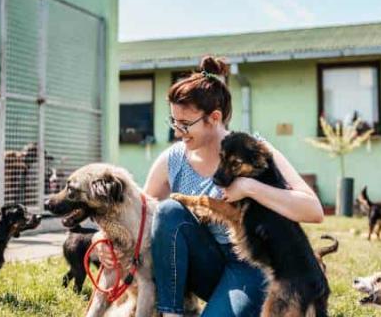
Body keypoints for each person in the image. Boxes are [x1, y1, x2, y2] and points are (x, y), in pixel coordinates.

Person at [103, 56, 324, 316]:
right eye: (174, 122)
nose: (177, 132)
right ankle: (171, 312)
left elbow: (313, 210)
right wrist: (105, 240)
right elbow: (137, 215)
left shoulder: (252, 150)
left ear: (214, 117)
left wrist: (249, 187)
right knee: (168, 210)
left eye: (185, 124)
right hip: (203, 264)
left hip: (249, 269)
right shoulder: (174, 159)